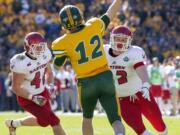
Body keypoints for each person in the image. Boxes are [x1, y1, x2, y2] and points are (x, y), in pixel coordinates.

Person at [51, 1, 125, 135]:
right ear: (80, 16)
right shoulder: (94, 25)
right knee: (115, 119)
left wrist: (49, 78)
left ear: (63, 24)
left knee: (87, 118)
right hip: (105, 77)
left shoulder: (61, 43)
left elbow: (57, 65)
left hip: (85, 83)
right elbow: (110, 13)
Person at [104, 25, 167, 135]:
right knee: (140, 130)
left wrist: (146, 85)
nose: (120, 42)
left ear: (129, 41)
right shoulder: (103, 51)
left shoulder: (134, 52)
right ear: (112, 39)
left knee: (159, 125)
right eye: (117, 38)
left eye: (123, 39)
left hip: (141, 93)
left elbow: (141, 70)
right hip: (122, 98)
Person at [5, 32, 66, 135]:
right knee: (54, 121)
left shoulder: (44, 55)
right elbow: (16, 87)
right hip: (27, 98)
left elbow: (50, 73)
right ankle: (13, 124)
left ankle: (13, 124)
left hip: (43, 92)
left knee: (43, 122)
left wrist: (50, 86)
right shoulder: (21, 62)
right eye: (36, 47)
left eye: (41, 46)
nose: (40, 50)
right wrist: (33, 97)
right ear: (27, 47)